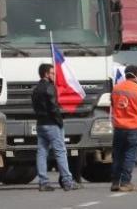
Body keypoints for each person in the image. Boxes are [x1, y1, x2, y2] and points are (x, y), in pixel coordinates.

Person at [32, 63, 80, 192]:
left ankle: (43, 182)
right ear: (46, 74)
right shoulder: (50, 87)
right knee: (60, 152)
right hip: (52, 124)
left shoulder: (36, 89)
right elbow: (54, 107)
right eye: (52, 73)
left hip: (40, 124)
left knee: (41, 153)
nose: (54, 75)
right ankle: (67, 181)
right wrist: (60, 122)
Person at [110, 65, 137, 192]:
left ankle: (115, 183)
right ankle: (126, 182)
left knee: (118, 156)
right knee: (130, 156)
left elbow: (113, 104)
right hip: (133, 128)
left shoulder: (116, 89)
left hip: (118, 128)